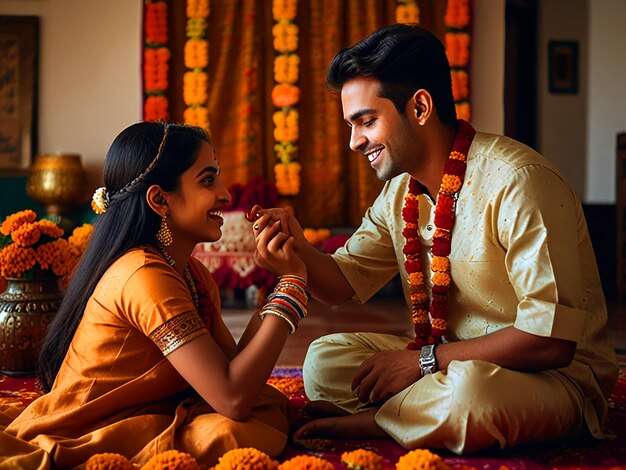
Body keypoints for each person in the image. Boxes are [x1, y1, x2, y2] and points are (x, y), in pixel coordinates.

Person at [251, 23, 619, 455]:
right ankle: (416, 415)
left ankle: (377, 421)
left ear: (420, 106)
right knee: (324, 360)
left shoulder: (518, 182)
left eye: (366, 121)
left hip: (550, 379)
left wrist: (423, 362)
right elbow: (341, 283)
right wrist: (295, 250)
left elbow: (552, 342)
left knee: (470, 398)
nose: (355, 142)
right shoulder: (400, 192)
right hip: (445, 364)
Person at [0, 121, 309, 468]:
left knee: (262, 406)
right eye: (208, 180)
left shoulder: (193, 274)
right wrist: (293, 284)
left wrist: (282, 281)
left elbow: (234, 370)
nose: (226, 194)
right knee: (235, 430)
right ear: (160, 199)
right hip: (94, 429)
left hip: (153, 412)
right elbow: (232, 398)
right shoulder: (144, 275)